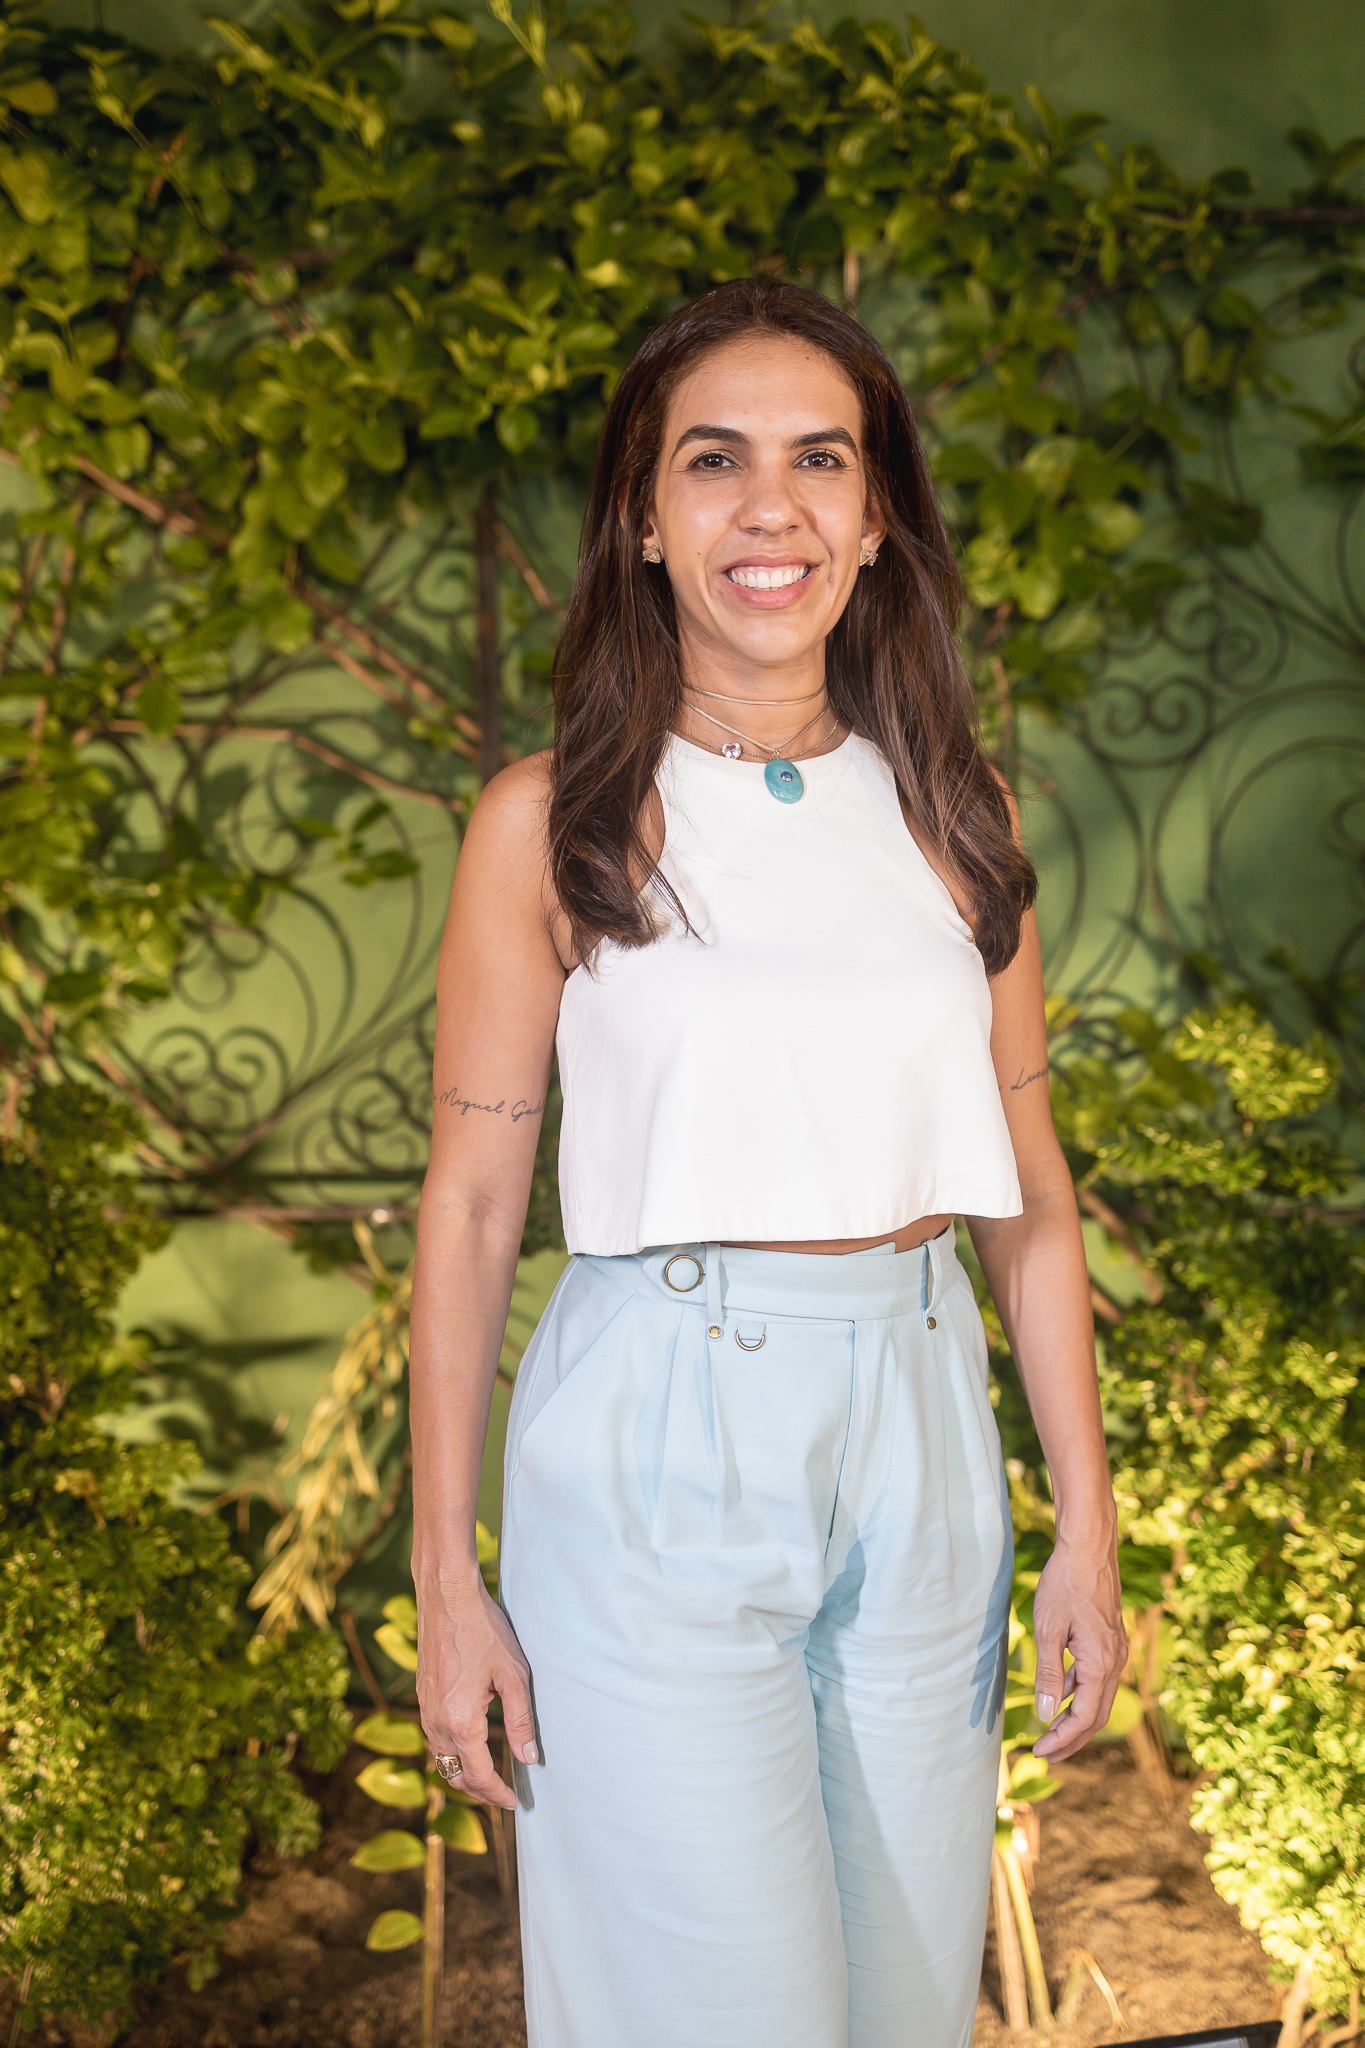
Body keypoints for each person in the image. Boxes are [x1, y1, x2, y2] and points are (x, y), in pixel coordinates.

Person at [408, 276, 1125, 2048]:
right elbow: (475, 1206)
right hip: (657, 1435)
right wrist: (444, 1575)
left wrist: (1084, 1527)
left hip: (924, 1431)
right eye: (713, 460)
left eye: (820, 460)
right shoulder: (551, 822)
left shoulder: (959, 815)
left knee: (899, 2011)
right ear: (643, 521)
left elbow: (1030, 1200)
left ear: (875, 522)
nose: (770, 508)